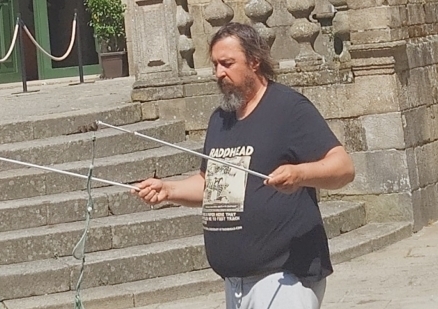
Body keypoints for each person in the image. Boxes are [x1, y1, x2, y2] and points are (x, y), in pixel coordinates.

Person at [134, 24, 355, 309]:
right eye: (215, 65)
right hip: (235, 283)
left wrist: (300, 174)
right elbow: (211, 183)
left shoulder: (288, 109)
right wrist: (168, 190)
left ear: (254, 61)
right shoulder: (221, 119)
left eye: (227, 64)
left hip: (284, 278)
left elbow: (343, 167)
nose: (219, 73)